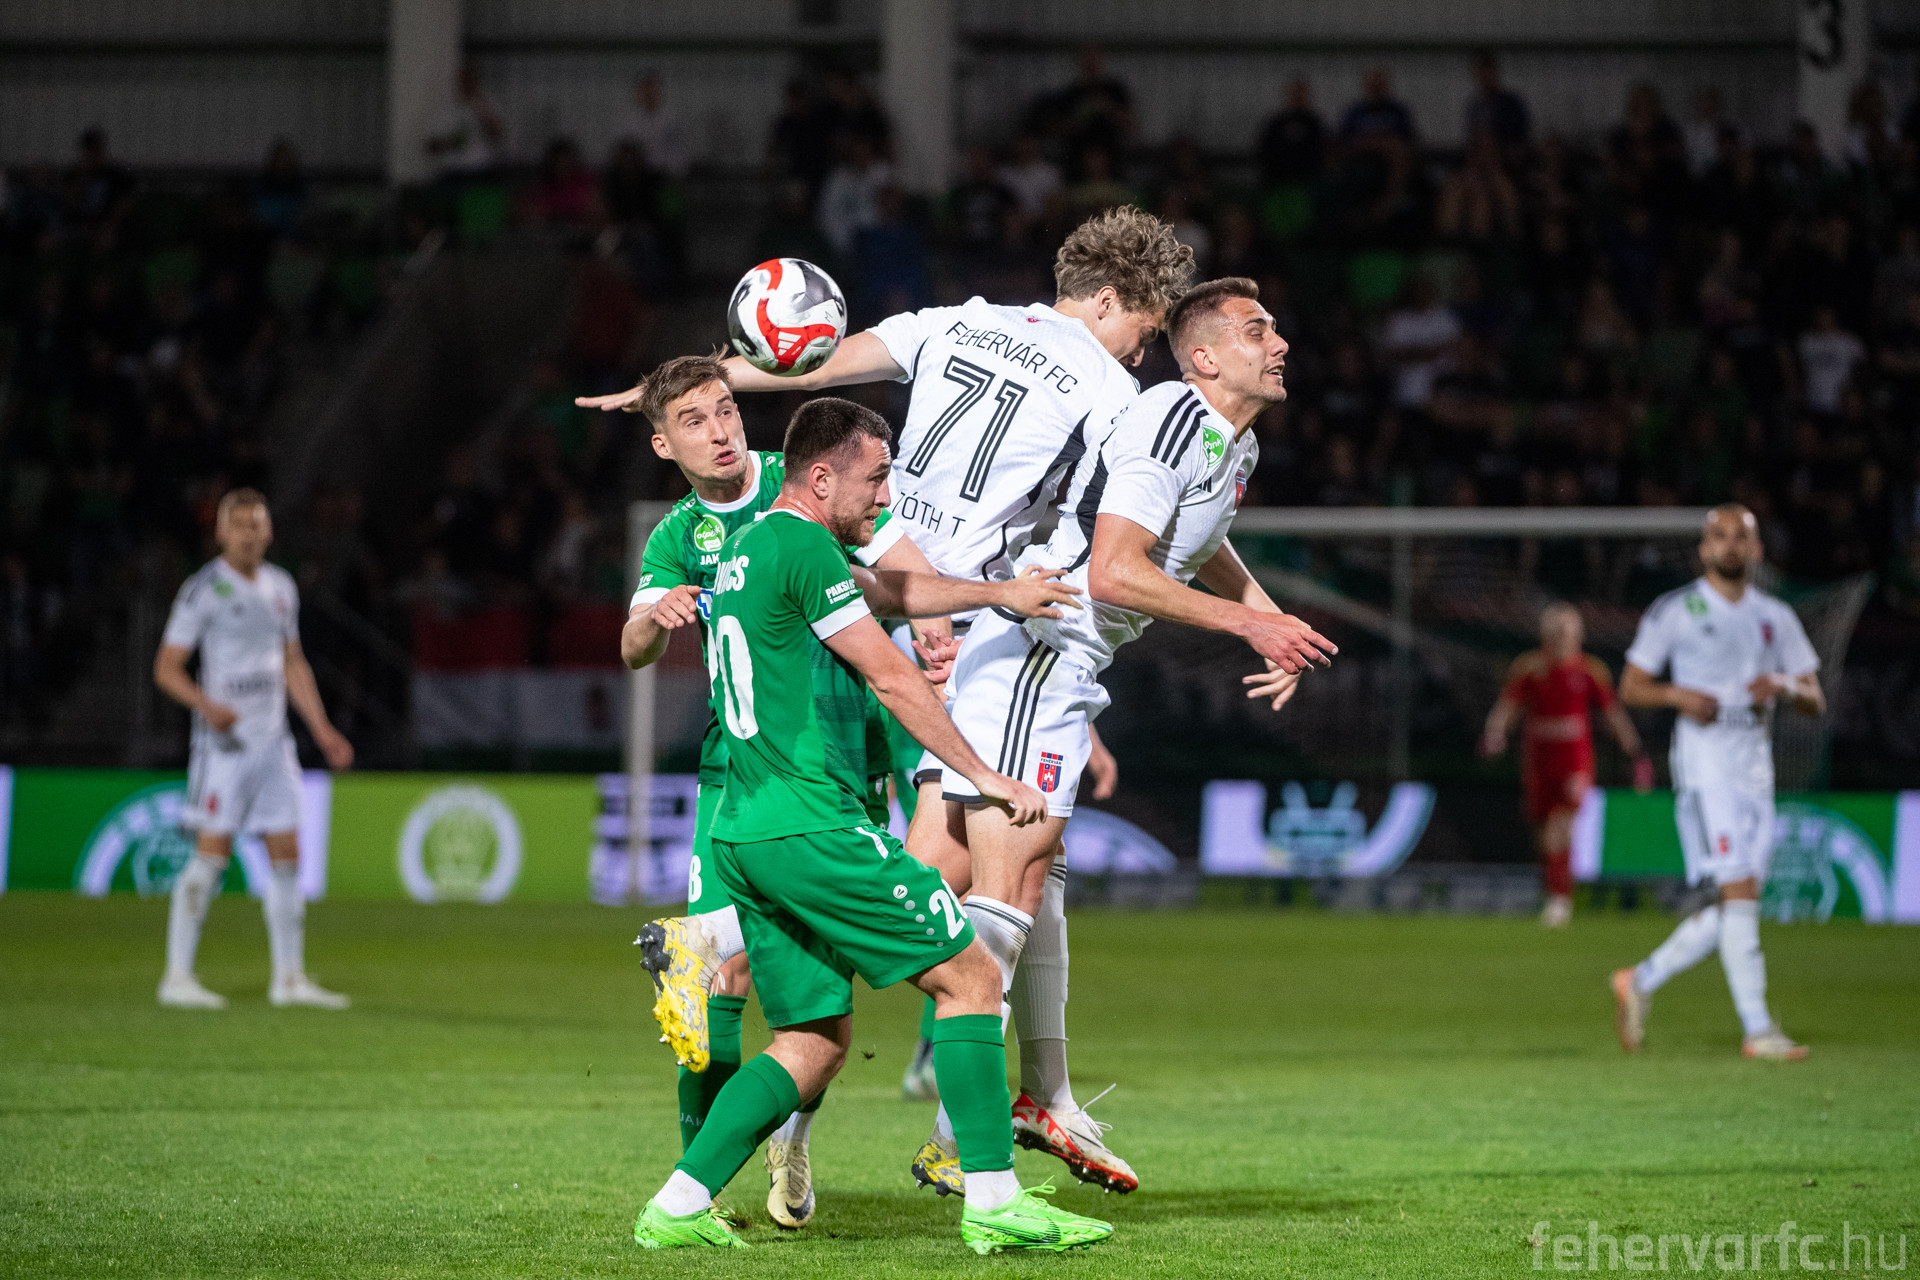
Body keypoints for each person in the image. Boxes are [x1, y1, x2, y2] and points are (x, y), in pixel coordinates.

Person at [581, 210, 1182, 1179]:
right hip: (909, 638)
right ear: (1109, 300)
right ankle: (967, 1128)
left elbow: (809, 366)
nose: (1142, 350)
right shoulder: (1116, 391)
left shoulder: (955, 321)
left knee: (1019, 860)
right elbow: (1126, 515)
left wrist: (692, 378)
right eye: (1144, 327)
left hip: (912, 618)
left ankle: (1003, 1100)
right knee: (960, 871)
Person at [629, 397, 1114, 1254]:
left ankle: (674, 1205)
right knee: (971, 978)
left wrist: (995, 595)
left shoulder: (746, 550)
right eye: (877, 478)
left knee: (813, 1043)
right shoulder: (804, 547)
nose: (886, 496)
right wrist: (983, 775)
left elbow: (892, 588)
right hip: (811, 827)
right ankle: (993, 1199)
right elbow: (892, 676)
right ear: (821, 479)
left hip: (744, 830)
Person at [919, 278, 1334, 1193]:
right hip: (1040, 648)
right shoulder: (1176, 419)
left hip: (1054, 661)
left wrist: (1267, 615)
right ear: (1204, 357)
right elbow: (1112, 571)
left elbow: (1196, 538)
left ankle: (1041, 1096)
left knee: (982, 881)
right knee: (993, 889)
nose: (1279, 344)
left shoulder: (1231, 442)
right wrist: (1248, 626)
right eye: (1257, 330)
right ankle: (963, 1132)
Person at [1610, 505, 1824, 1061]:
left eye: (1741, 537)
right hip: (1705, 765)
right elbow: (1631, 686)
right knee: (1738, 891)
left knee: (1737, 904)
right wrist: (1678, 695)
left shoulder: (1775, 616)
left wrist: (1782, 685)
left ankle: (1640, 978)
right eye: (1720, 536)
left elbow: (1815, 698)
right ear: (1704, 549)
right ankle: (1758, 1029)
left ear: (1756, 550)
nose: (1730, 545)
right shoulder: (1676, 610)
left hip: (1755, 766)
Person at [151, 489, 355, 1010]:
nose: (248, 534)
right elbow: (167, 668)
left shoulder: (281, 587)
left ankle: (289, 979)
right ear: (221, 533)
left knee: (287, 859)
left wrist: (322, 729)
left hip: (274, 744)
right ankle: (177, 978)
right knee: (210, 859)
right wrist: (205, 705)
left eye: (256, 525)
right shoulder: (203, 590)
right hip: (224, 748)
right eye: (238, 525)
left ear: (269, 532)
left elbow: (292, 661)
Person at [1481, 603, 1648, 927]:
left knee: (1562, 825)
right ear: (1544, 633)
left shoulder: (1590, 670)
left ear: (1578, 634)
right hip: (1539, 759)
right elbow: (1507, 706)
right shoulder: (1529, 667)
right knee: (1543, 830)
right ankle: (1551, 891)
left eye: (1566, 629)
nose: (1560, 636)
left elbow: (1612, 714)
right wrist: (1494, 733)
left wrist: (1635, 750)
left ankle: (1561, 898)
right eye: (1554, 629)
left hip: (1575, 760)